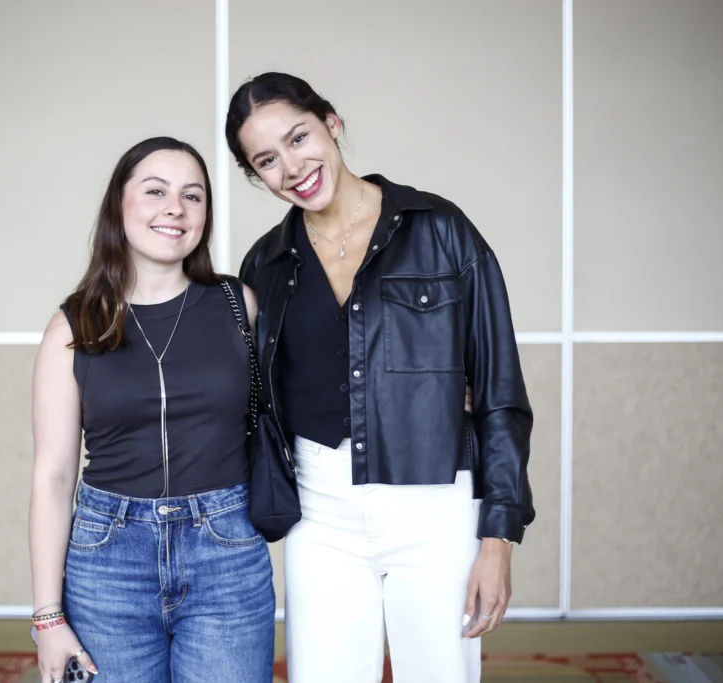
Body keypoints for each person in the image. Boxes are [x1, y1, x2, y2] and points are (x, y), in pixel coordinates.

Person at [226, 72, 536, 683]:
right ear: (257, 175)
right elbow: (256, 402)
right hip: (319, 513)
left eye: (299, 138)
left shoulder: (441, 230)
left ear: (332, 124)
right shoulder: (265, 264)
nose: (292, 166)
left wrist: (498, 538)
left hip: (435, 504)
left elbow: (500, 394)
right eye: (267, 160)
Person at [27, 136, 275, 683]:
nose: (175, 208)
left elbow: (305, 394)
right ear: (119, 205)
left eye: (193, 196)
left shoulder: (239, 304)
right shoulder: (73, 326)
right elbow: (53, 475)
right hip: (107, 561)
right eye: (156, 191)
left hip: (226, 553)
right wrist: (48, 617)